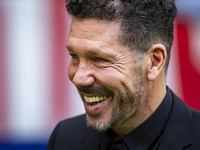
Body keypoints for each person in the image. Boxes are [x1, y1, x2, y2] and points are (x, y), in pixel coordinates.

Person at [47, 0, 200, 149]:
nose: (79, 78)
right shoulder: (64, 139)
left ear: (154, 61)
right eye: (74, 56)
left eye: (99, 59)